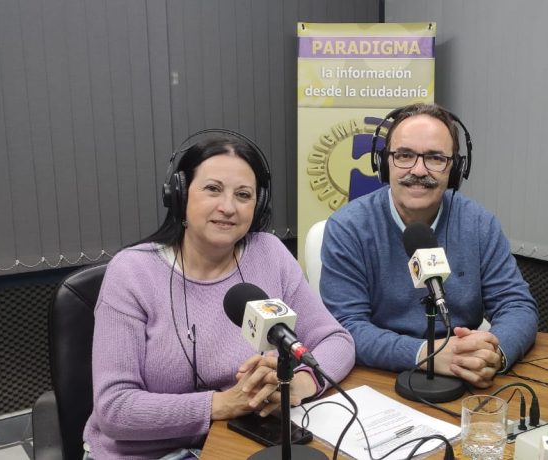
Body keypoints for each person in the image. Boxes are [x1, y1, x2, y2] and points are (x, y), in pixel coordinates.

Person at [82, 132, 355, 459]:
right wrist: (223, 403)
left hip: (240, 440)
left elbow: (336, 340)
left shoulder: (268, 254)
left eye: (243, 195)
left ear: (258, 204)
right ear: (179, 195)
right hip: (146, 454)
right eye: (212, 189)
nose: (228, 207)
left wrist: (298, 383)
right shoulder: (132, 273)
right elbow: (114, 409)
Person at [320, 103, 538, 389]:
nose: (419, 170)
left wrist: (493, 352)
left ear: (455, 169)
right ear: (384, 163)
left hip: (466, 378)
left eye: (435, 158)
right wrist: (426, 354)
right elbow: (347, 327)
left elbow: (517, 305)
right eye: (404, 155)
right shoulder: (348, 228)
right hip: (376, 380)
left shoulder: (478, 223)